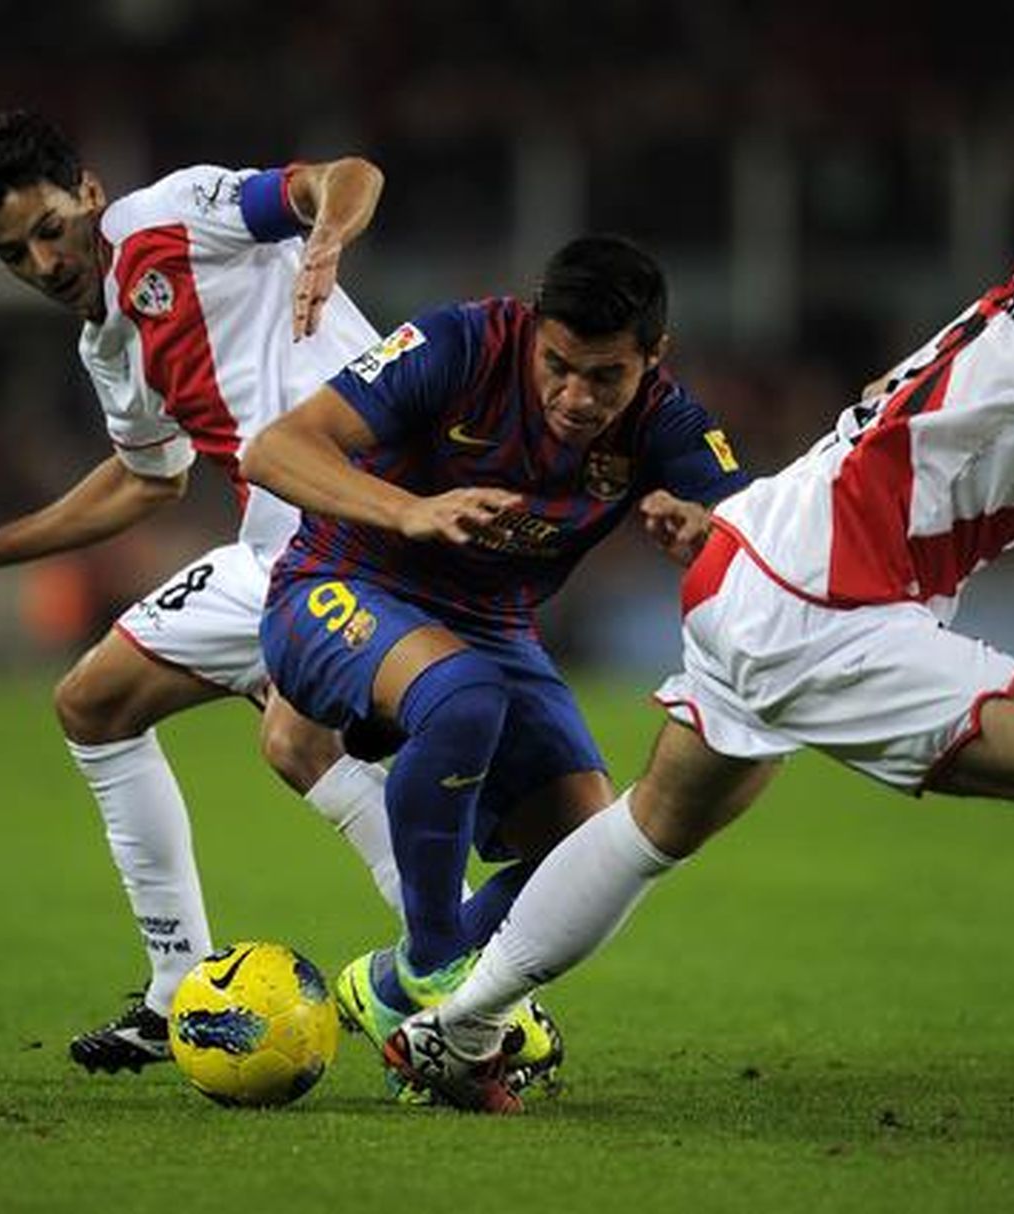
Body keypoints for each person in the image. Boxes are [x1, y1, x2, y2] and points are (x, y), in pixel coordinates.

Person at [383, 65, 1014, 1136]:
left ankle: (457, 1025)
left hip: (759, 557)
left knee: (655, 822)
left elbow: (897, 399)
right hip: (824, 598)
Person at [0, 110, 411, 1074]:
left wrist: (326, 237)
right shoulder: (109, 347)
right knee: (118, 708)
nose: (45, 262)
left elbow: (344, 171)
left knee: (277, 733)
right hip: (291, 540)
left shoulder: (167, 216)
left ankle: (445, 969)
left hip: (343, 515)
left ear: (87, 193)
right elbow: (147, 477)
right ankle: (205, 985)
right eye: (15, 255)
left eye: (49, 228)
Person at [241, 234, 751, 1100]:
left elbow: (762, 530)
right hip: (339, 582)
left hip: (489, 625)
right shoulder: (458, 344)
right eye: (559, 365)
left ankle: (396, 995)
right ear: (530, 329)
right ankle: (441, 975)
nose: (576, 395)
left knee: (588, 847)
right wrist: (408, 511)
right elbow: (276, 451)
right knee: (462, 694)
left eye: (607, 377)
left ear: (652, 359)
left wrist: (710, 538)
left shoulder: (669, 421)